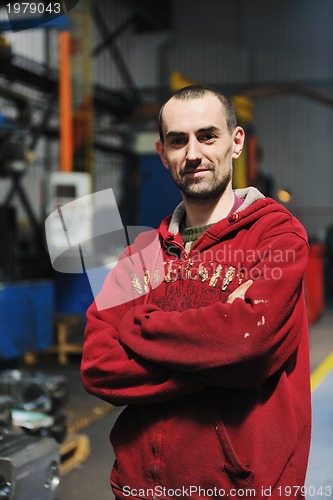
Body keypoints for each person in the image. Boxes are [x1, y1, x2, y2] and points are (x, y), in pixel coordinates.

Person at [81, 85, 311, 499]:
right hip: (140, 488)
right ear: (162, 152)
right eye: (178, 140)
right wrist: (217, 350)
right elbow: (99, 365)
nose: (192, 153)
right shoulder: (142, 253)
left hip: (240, 487)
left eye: (208, 136)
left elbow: (250, 343)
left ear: (235, 142)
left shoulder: (275, 236)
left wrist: (137, 325)